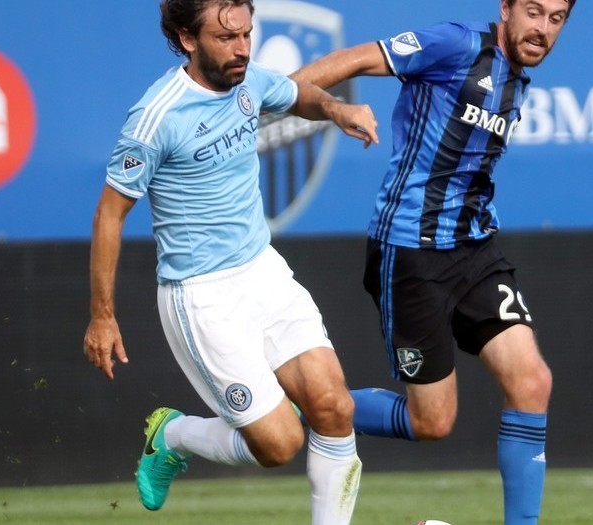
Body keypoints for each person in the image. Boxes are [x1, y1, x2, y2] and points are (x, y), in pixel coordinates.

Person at [82, 0, 378, 522]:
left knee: (335, 408)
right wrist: (102, 316)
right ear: (187, 39)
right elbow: (109, 215)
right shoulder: (156, 116)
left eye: (246, 34)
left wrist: (336, 109)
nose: (241, 49)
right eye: (225, 38)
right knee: (280, 445)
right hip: (202, 296)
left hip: (262, 270)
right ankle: (172, 434)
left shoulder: (249, 80)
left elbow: (297, 94)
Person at [290, 1, 575, 523]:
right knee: (432, 423)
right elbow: (361, 57)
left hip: (474, 247)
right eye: (534, 12)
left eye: (556, 18)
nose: (542, 28)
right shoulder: (457, 44)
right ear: (507, 8)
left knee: (532, 381)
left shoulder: (514, 78)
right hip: (411, 252)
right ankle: (300, 409)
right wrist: (274, 96)